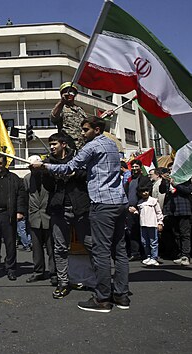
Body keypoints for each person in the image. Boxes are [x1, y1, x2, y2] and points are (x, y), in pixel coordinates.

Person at [33, 116, 129, 313]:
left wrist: (44, 166)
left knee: (100, 251)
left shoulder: (91, 147)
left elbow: (69, 167)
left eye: (85, 130)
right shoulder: (112, 145)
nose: (82, 133)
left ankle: (103, 299)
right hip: (120, 202)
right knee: (119, 252)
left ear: (96, 129)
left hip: (102, 203)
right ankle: (121, 295)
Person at [35, 133, 91, 298]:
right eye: (50, 145)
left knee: (91, 244)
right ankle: (63, 282)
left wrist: (71, 173)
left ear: (64, 144)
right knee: (59, 248)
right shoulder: (48, 163)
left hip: (80, 208)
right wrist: (45, 173)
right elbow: (49, 187)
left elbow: (85, 175)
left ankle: (99, 282)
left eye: (54, 144)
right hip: (59, 210)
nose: (52, 147)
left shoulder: (78, 158)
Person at [23, 155, 55, 284]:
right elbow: (25, 197)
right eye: (30, 167)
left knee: (51, 248)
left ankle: (54, 273)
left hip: (49, 216)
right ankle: (38, 271)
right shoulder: (26, 179)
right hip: (34, 217)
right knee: (36, 248)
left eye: (34, 167)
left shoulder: (49, 177)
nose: (32, 169)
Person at [159, 172, 192, 266]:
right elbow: (162, 190)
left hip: (183, 209)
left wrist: (176, 184)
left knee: (185, 233)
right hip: (171, 210)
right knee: (176, 233)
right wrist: (164, 180)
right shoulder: (168, 180)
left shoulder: (185, 178)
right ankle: (179, 254)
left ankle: (186, 255)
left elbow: (188, 190)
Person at [134, 179, 163, 266]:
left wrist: (160, 223)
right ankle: (148, 256)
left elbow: (159, 212)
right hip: (143, 224)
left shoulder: (153, 201)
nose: (145, 193)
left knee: (153, 242)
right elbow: (141, 213)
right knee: (144, 242)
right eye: (142, 192)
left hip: (152, 224)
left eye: (146, 191)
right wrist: (135, 212)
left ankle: (154, 257)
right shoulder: (140, 203)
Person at [50, 82, 87, 151]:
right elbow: (53, 118)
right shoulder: (61, 108)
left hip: (83, 146)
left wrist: (103, 116)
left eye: (71, 92)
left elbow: (88, 124)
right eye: (66, 92)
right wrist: (62, 101)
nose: (69, 94)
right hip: (69, 147)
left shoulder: (80, 110)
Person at [125, 159, 146, 261]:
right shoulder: (129, 180)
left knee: (143, 231)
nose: (134, 169)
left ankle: (145, 252)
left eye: (136, 167)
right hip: (130, 209)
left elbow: (145, 192)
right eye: (132, 167)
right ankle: (135, 252)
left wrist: (137, 207)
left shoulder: (144, 179)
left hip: (141, 208)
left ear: (140, 167)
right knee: (132, 232)